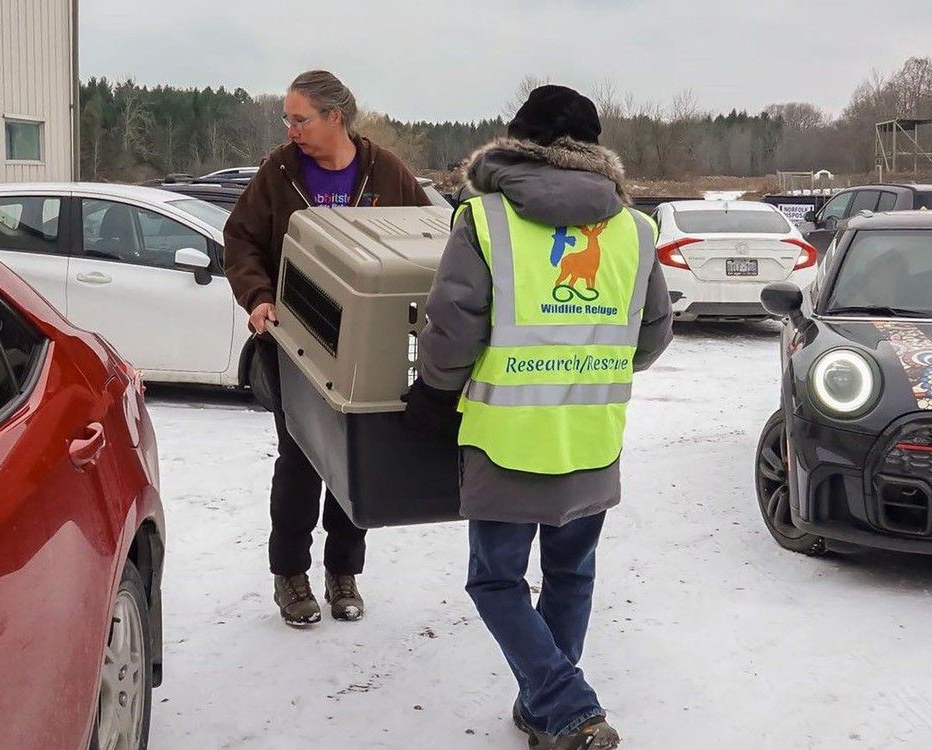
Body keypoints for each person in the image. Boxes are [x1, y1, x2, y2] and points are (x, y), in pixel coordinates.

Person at [403, 85, 673, 749]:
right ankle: (547, 711)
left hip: (504, 440)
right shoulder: (635, 229)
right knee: (572, 571)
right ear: (591, 150)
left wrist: (434, 396)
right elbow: (655, 334)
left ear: (519, 141)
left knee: (495, 578)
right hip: (591, 437)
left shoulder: (486, 217)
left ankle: (566, 705)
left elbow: (452, 324)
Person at [223, 70, 431, 627]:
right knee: (299, 458)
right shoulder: (279, 172)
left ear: (335, 118)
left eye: (299, 118)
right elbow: (240, 238)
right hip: (292, 341)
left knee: (353, 457)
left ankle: (344, 572)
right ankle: (290, 576)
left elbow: (427, 240)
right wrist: (258, 296)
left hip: (363, 346)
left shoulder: (386, 173)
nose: (290, 129)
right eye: (287, 119)